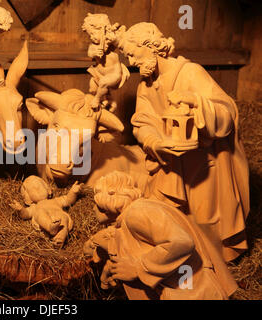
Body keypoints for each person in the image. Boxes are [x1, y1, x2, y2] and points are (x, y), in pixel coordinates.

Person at [118, 22, 250, 262]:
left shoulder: (190, 73)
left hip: (203, 167)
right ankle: (180, 263)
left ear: (149, 46)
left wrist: (195, 102)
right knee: (167, 222)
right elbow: (141, 124)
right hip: (169, 166)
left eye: (132, 53)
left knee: (205, 227)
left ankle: (212, 273)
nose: (131, 62)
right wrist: (155, 144)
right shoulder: (145, 86)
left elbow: (226, 113)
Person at [84, 171, 238, 300]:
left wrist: (138, 268)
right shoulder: (134, 215)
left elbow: (181, 242)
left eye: (94, 202)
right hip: (183, 285)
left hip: (189, 290)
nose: (92, 208)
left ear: (107, 201)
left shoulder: (136, 213)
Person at [9, 176, 82, 248]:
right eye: (33, 189)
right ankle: (50, 227)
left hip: (59, 218)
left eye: (40, 187)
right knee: (40, 215)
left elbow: (67, 200)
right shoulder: (34, 207)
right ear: (29, 198)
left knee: (63, 218)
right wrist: (21, 209)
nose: (37, 189)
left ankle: (59, 239)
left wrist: (73, 192)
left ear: (48, 189)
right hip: (46, 222)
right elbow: (26, 214)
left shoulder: (56, 200)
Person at [82, 13, 129, 111]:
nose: (91, 37)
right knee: (93, 88)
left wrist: (114, 40)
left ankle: (96, 100)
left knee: (104, 83)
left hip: (114, 73)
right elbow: (90, 53)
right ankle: (110, 100)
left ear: (102, 30)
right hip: (98, 73)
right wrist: (95, 53)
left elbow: (120, 44)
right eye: (90, 35)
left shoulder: (110, 41)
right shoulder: (93, 46)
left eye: (93, 33)